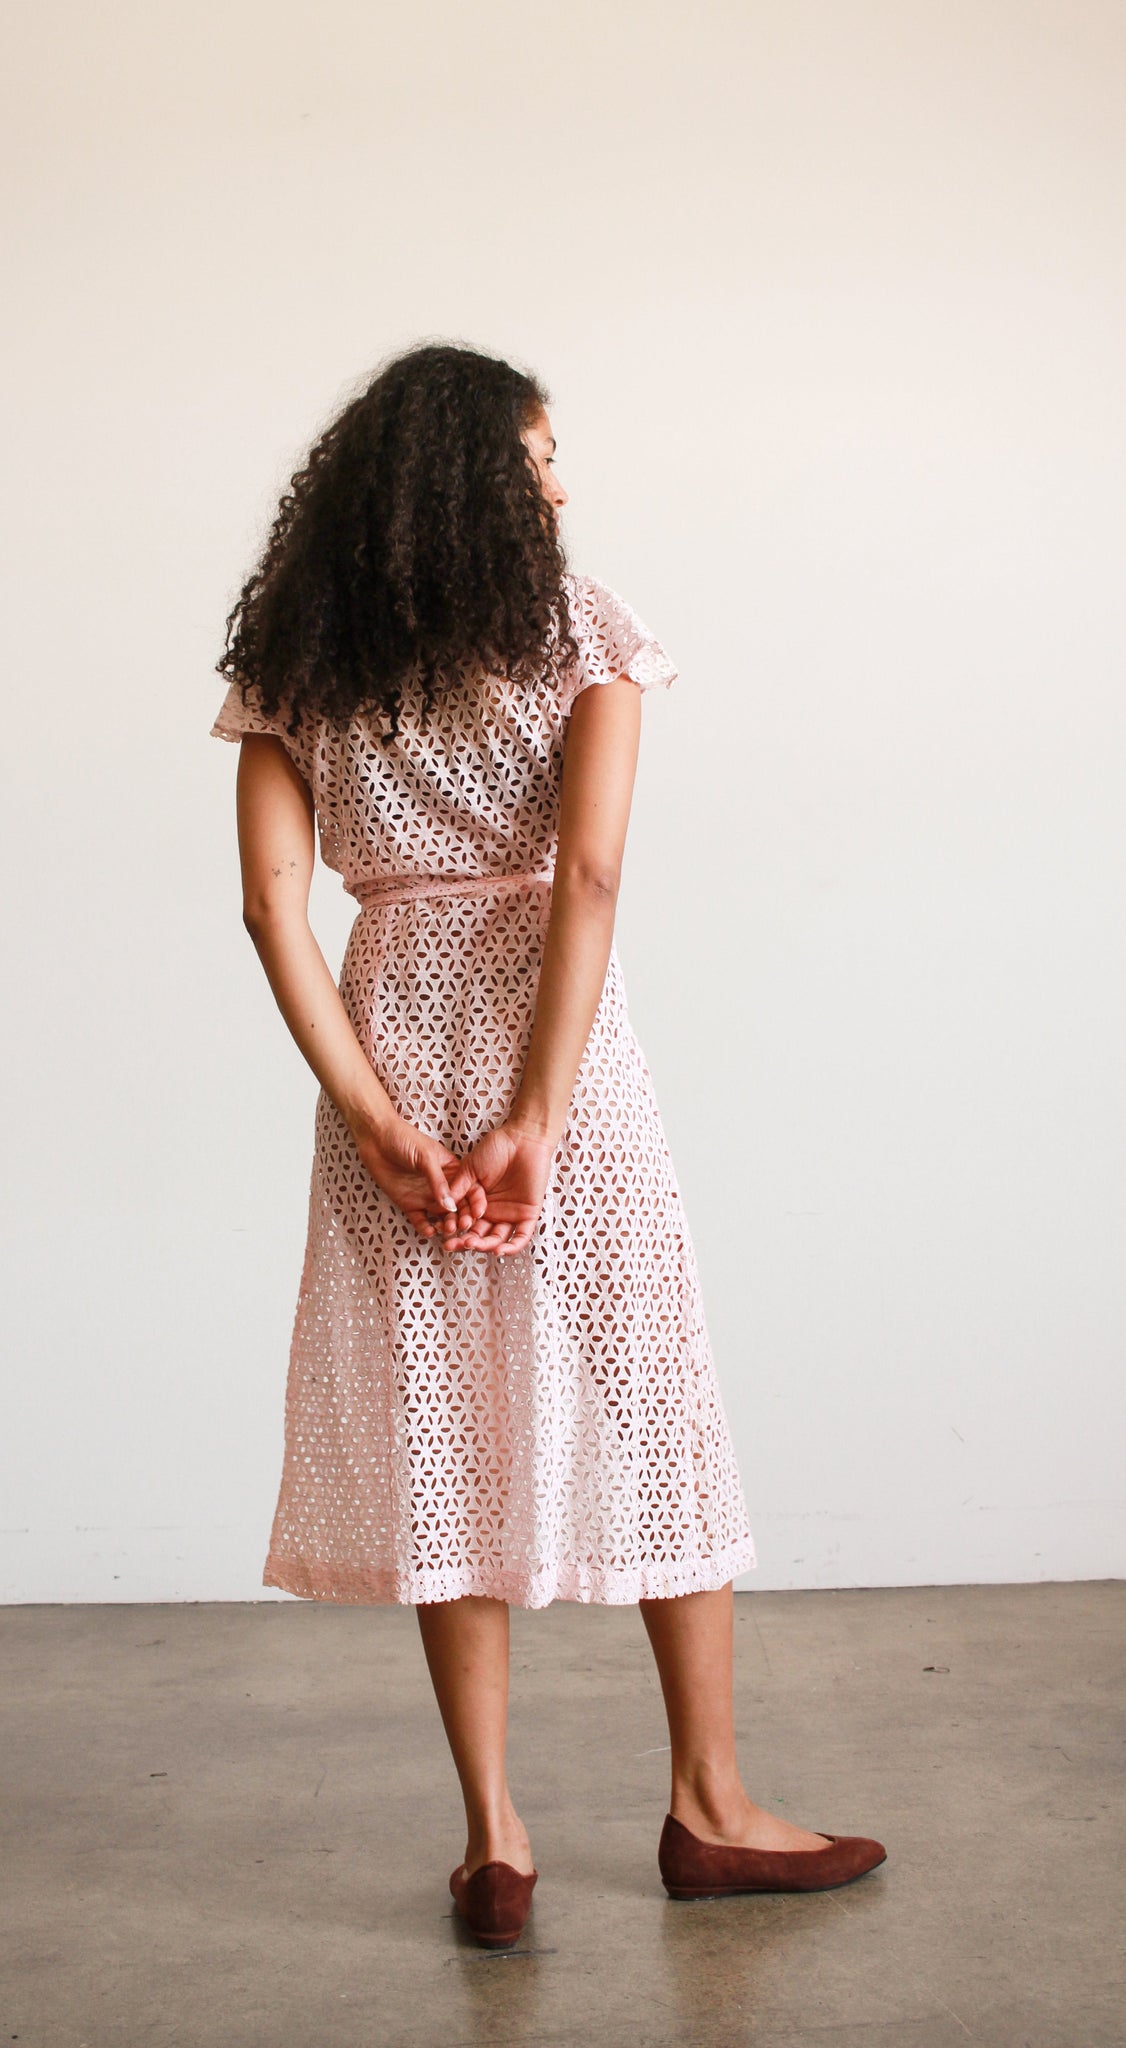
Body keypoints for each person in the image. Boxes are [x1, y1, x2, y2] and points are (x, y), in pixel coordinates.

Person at [209, 341, 885, 1946]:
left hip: (390, 1029)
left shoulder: (301, 653)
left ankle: (494, 1842)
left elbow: (266, 907)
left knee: (440, 1419)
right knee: (647, 1388)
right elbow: (583, 879)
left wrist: (375, 1119)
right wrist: (535, 1110)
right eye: (537, 458)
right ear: (472, 482)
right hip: (552, 1043)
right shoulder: (576, 626)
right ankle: (709, 1807)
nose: (560, 484)